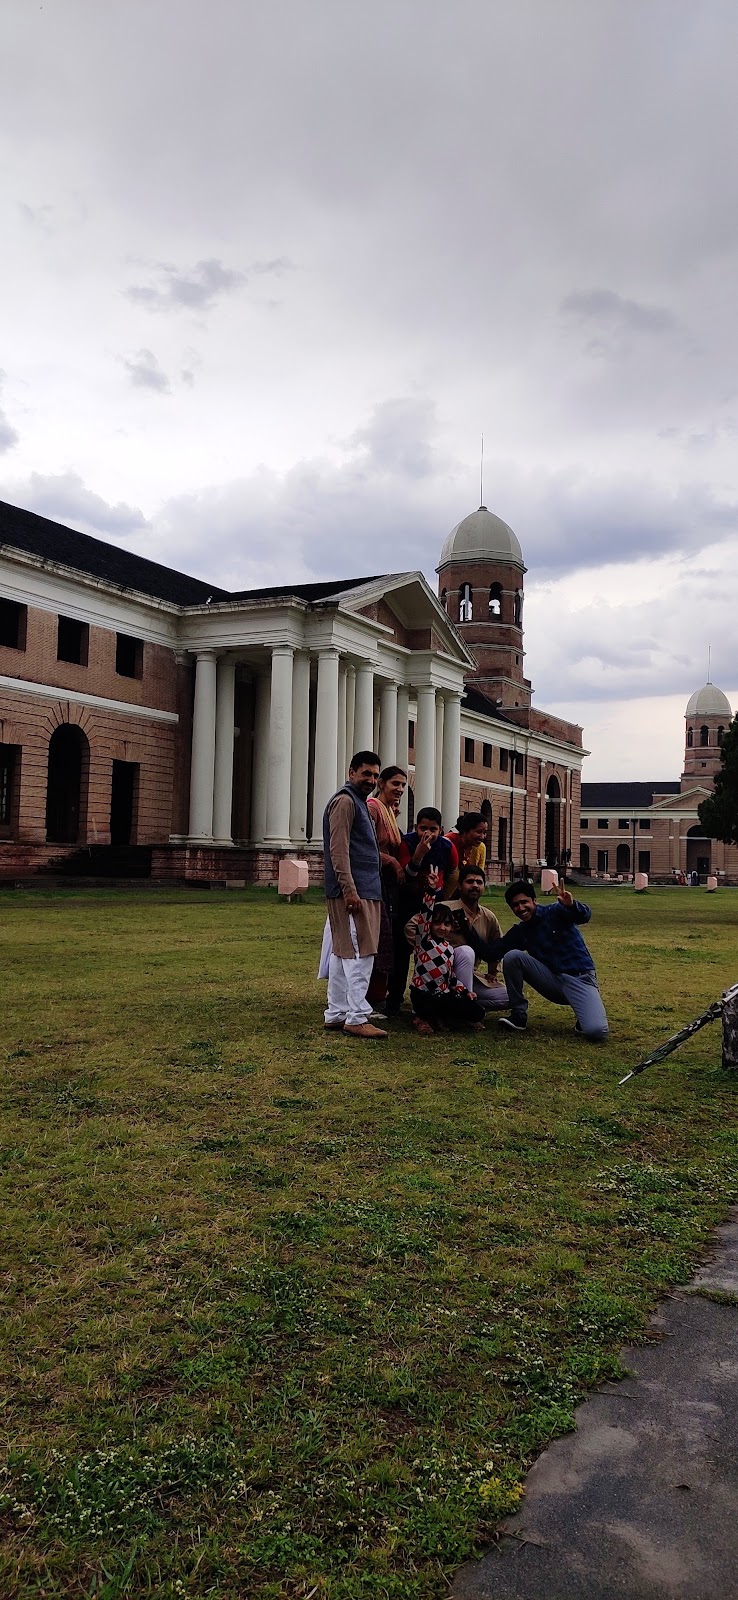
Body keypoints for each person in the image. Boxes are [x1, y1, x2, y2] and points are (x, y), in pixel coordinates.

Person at [472, 878, 609, 1040]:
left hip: (580, 978)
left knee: (596, 1032)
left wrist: (571, 905)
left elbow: (583, 916)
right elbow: (492, 953)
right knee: (513, 957)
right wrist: (468, 929)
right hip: (552, 981)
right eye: (515, 905)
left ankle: (585, 1012)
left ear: (534, 900)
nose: (521, 908)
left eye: (524, 902)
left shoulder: (556, 911)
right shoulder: (521, 932)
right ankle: (518, 1016)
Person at [322, 751, 388, 1039]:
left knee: (342, 952)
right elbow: (338, 851)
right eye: (366, 774)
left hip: (361, 890)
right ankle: (358, 1017)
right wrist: (350, 891)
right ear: (351, 773)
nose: (371, 780)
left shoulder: (357, 802)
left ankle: (336, 1013)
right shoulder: (345, 802)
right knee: (361, 952)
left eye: (375, 775)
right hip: (354, 892)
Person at [385, 807, 458, 1014]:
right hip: (409, 901)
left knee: (431, 949)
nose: (428, 834)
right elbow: (406, 875)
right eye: (423, 828)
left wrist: (442, 894)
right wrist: (418, 855)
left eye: (433, 829)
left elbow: (453, 871)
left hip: (435, 903)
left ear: (441, 830)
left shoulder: (446, 847)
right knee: (401, 950)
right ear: (415, 827)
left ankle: (430, 996)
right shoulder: (407, 843)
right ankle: (394, 999)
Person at [410, 867, 486, 1035]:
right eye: (437, 923)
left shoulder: (449, 949)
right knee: (425, 1004)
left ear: (451, 926)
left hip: (442, 994)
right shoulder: (423, 941)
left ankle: (443, 1017)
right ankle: (421, 1019)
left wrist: (466, 992)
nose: (442, 928)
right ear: (430, 925)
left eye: (446, 924)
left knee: (477, 1011)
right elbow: (424, 915)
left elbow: (450, 978)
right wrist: (431, 890)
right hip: (423, 993)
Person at [366, 766, 407, 1006]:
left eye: (402, 785)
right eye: (395, 783)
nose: (400, 789)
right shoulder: (373, 807)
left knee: (387, 938)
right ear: (381, 783)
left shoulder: (389, 810)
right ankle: (371, 995)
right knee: (378, 938)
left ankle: (380, 994)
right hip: (376, 881)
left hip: (388, 885)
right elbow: (367, 845)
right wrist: (392, 861)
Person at [441, 865, 509, 1009]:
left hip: (470, 978)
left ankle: (457, 1005)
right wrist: (426, 953)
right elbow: (412, 927)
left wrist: (492, 971)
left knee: (510, 997)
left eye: (479, 882)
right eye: (470, 881)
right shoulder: (445, 909)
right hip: (441, 975)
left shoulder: (488, 917)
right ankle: (466, 1009)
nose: (475, 886)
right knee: (466, 952)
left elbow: (497, 945)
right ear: (459, 885)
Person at [444, 812, 487, 896]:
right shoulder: (447, 843)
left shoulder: (480, 847)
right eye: (478, 832)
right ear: (465, 830)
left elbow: (479, 877)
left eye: (484, 833)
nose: (482, 837)